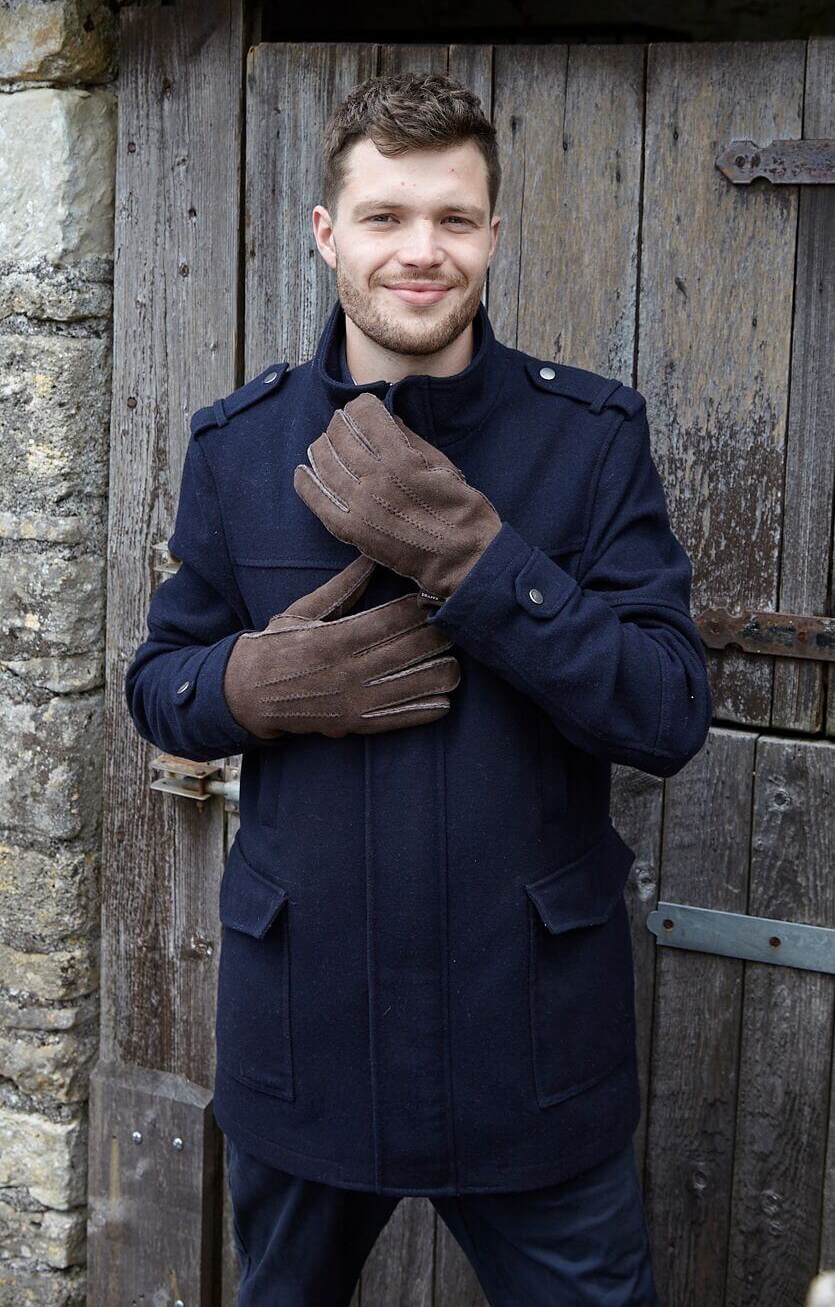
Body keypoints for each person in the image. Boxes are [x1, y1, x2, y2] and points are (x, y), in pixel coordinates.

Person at [125, 71, 712, 1306]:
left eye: (452, 218)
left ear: (493, 235)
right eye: (386, 216)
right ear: (327, 232)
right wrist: (253, 682)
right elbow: (159, 687)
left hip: (531, 1044)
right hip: (309, 1029)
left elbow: (664, 713)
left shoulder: (592, 441)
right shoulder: (238, 448)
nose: (420, 251)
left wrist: (482, 565)